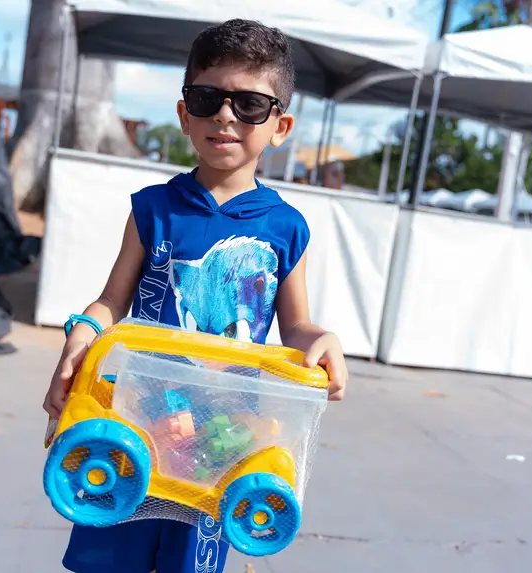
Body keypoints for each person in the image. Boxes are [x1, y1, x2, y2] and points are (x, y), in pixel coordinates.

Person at [42, 19, 348, 573]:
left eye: (249, 104)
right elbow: (111, 300)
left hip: (222, 442)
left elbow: (296, 326)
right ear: (185, 115)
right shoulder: (153, 209)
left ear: (280, 126)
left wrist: (322, 339)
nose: (225, 116)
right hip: (134, 421)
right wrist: (82, 333)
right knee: (108, 553)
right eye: (208, 99)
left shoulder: (287, 229)